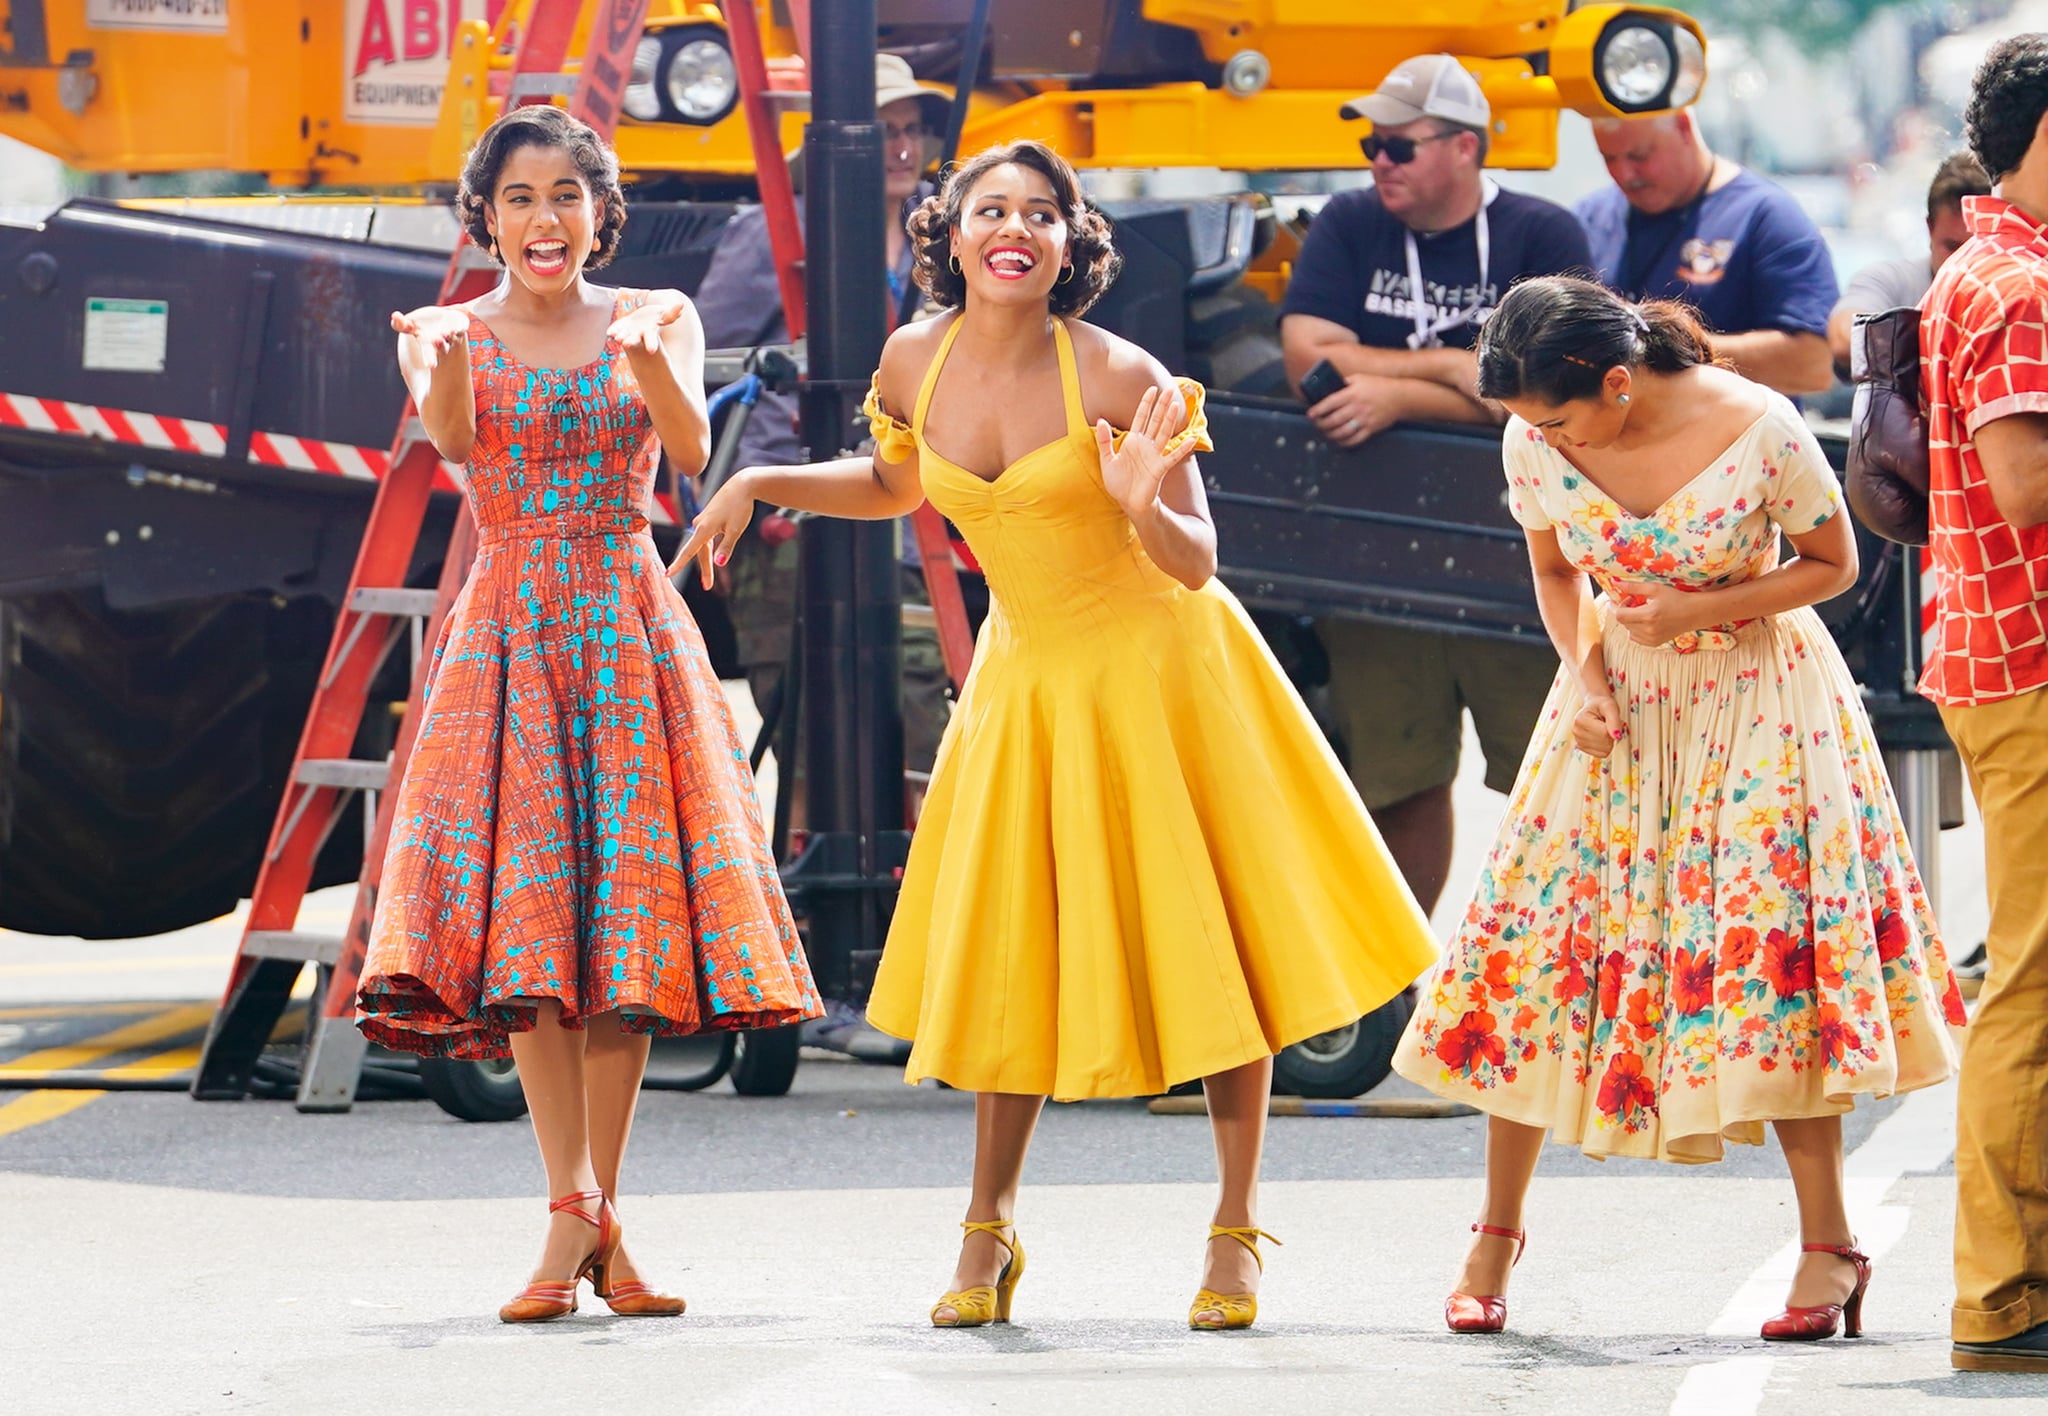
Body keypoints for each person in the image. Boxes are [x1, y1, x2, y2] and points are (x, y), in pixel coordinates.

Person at [682, 139, 1439, 1332]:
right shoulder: (911, 357)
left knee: (1214, 943)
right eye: (994, 208)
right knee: (1009, 950)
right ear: (955, 230)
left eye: (1041, 212)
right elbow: (891, 486)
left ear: (1068, 241)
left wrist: (1145, 502)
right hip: (1026, 678)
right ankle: (985, 1231)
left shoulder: (1116, 370)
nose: (1016, 228)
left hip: (1163, 666)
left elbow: (1196, 565)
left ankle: (1233, 1232)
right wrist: (758, 483)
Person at [1392, 275, 1964, 1341]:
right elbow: (1555, 574)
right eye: (1523, 422)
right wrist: (1590, 678)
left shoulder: (1759, 426)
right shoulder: (1533, 440)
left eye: (1555, 419)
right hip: (1616, 701)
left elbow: (1833, 565)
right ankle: (1494, 1236)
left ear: (1616, 381)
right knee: (1538, 949)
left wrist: (1702, 605)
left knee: (1762, 956)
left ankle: (1828, 1247)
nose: (1539, 440)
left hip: (1758, 697)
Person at [357, 104, 819, 1324]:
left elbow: (682, 451)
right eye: (518, 198)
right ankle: (580, 1216)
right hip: (508, 628)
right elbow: (453, 436)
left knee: (625, 934)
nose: (542, 218)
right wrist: (448, 369)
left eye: (565, 195)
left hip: (624, 620)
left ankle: (585, 1219)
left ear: (599, 214)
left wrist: (662, 367)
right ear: (486, 217)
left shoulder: (656, 317)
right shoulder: (441, 330)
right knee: (528, 933)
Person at [1278, 54, 1595, 917]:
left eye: (1399, 146)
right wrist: (1460, 374)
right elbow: (1310, 355)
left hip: (1518, 559)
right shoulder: (1348, 221)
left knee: (1557, 783)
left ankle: (1571, 966)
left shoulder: (1543, 233)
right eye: (1372, 144)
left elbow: (1560, 386)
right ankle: (1397, 986)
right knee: (1396, 781)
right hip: (1375, 560)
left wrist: (1396, 394)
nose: (1379, 161)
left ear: (1465, 147)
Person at [693, 51, 955, 1063]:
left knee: (917, 719)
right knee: (811, 729)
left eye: (910, 129)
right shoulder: (774, 233)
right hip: (791, 512)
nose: (898, 147)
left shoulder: (933, 245)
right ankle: (807, 965)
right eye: (881, 128)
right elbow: (707, 359)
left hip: (905, 508)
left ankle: (899, 962)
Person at [1918, 33, 2048, 1375]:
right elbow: (2025, 483)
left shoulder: (1989, 264)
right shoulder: (2015, 284)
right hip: (2030, 664)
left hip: (2000, 659)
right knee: (2032, 985)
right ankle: (2003, 1298)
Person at [1578, 109, 1839, 397]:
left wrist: (1659, 349)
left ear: (1683, 126)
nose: (1625, 174)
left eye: (1640, 156)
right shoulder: (1587, 219)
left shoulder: (1766, 216)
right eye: (1609, 158)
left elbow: (1814, 363)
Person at [1826, 152, 1989, 373]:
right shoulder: (1890, 282)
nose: (1964, 261)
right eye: (1953, 247)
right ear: (1929, 228)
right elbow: (1844, 339)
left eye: (1978, 248)